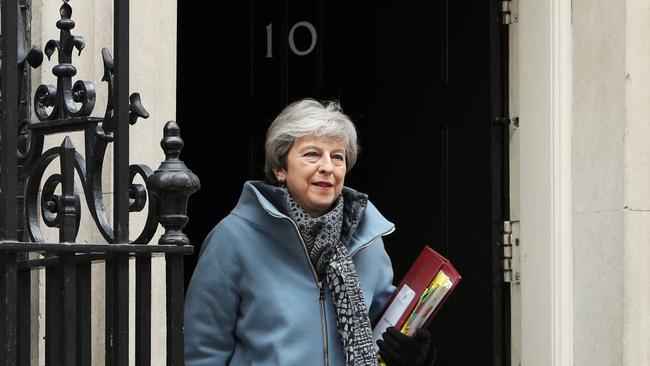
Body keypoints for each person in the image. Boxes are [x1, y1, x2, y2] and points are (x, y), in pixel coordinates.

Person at [184, 98, 436, 365]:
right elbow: (202, 352)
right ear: (280, 168)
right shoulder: (233, 238)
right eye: (312, 154)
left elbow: (385, 336)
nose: (327, 167)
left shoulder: (367, 241)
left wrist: (415, 356)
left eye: (337, 157)